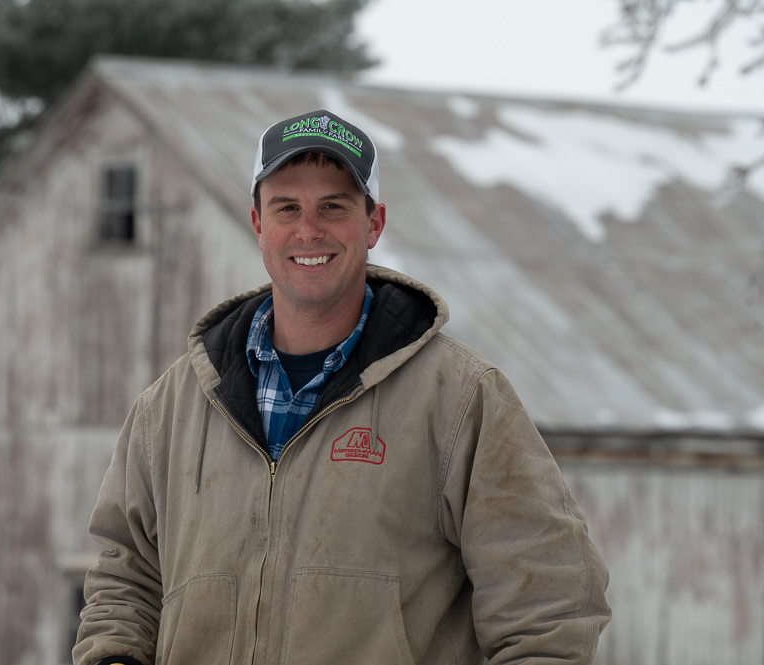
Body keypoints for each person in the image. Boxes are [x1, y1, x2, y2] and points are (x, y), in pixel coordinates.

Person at [73, 109, 611, 665]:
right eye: (287, 207)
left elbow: (549, 606)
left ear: (374, 222)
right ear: (258, 224)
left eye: (334, 206)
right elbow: (125, 578)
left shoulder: (461, 399)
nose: (309, 229)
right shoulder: (172, 407)